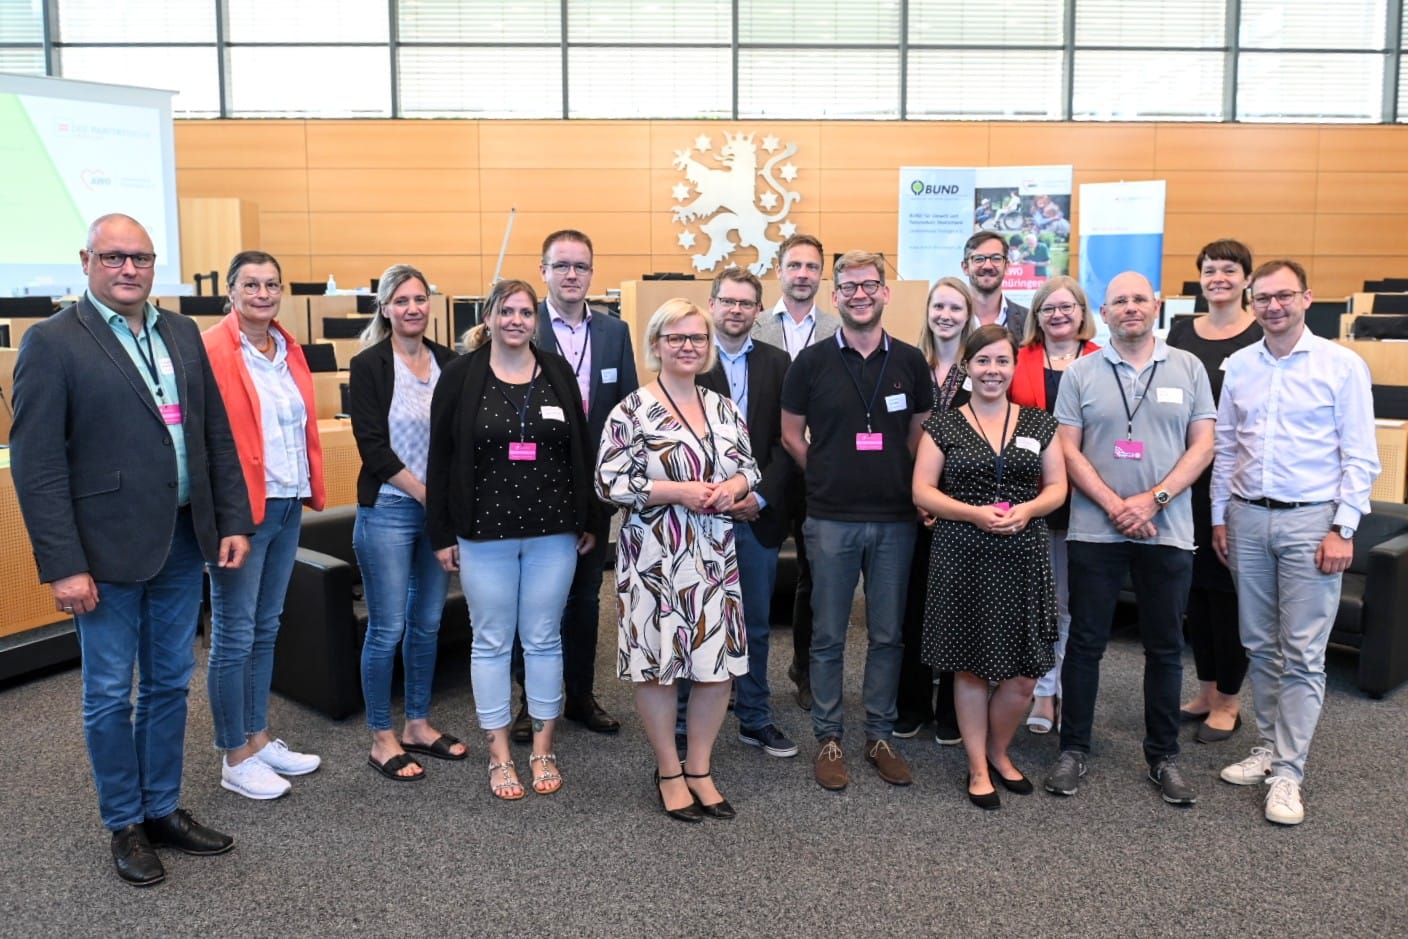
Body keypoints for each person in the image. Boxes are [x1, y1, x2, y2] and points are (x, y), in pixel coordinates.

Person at [10, 214, 252, 887]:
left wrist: (230, 517)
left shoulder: (179, 332)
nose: (128, 269)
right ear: (86, 260)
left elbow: (212, 434)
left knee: (172, 681)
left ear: (154, 264)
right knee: (111, 691)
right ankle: (123, 821)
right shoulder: (53, 343)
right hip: (103, 552)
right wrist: (63, 563)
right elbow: (37, 467)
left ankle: (161, 806)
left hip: (180, 538)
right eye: (114, 256)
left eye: (140, 257)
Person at [1211, 259, 1379, 826]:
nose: (1273, 306)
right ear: (1252, 303)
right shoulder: (1239, 365)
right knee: (1258, 643)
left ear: (1307, 298)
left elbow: (1360, 456)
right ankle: (1268, 747)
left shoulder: (1342, 365)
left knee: (1304, 653)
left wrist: (1344, 527)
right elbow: (1227, 448)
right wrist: (1219, 518)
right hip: (1247, 519)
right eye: (1263, 298)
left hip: (1313, 522)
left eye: (1284, 296)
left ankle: (1289, 772)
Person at [1043, 271, 1215, 807]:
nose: (1131, 307)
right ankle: (1074, 749)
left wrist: (1153, 500)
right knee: (1086, 643)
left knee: (1164, 648)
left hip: (1168, 531)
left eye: (1140, 298)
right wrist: (1117, 505)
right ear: (1107, 310)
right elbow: (1067, 449)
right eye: (1120, 301)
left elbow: (1203, 445)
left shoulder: (1187, 367)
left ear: (1156, 305)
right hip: (1096, 529)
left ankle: (1163, 756)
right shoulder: (1082, 372)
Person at [428, 279, 601, 800]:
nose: (516, 320)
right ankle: (500, 753)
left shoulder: (556, 371)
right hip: (484, 532)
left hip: (553, 531)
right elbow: (440, 459)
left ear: (535, 320)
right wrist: (441, 532)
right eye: (506, 311)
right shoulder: (460, 376)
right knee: (492, 641)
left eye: (526, 312)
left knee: (545, 637)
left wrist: (591, 518)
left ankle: (543, 747)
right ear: (489, 316)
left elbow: (581, 447)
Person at [597, 298, 760, 822]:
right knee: (660, 668)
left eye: (697, 338)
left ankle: (700, 768)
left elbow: (748, 467)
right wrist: (677, 491)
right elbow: (609, 482)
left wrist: (731, 487)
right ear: (656, 346)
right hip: (655, 556)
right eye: (676, 338)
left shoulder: (722, 406)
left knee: (716, 669)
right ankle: (669, 770)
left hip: (713, 552)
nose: (688, 347)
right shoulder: (632, 409)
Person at [781, 251, 934, 791]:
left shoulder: (912, 362)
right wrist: (823, 471)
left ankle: (879, 734)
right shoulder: (812, 361)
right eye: (848, 287)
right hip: (830, 518)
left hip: (896, 518)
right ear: (835, 295)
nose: (860, 294)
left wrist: (904, 478)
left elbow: (921, 432)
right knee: (827, 635)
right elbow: (790, 433)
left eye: (870, 285)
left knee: (888, 635)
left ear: (885, 293)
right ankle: (828, 735)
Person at [913, 324, 1067, 809]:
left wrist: (1029, 509)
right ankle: (978, 765)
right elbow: (923, 491)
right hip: (963, 553)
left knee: (1023, 674)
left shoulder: (1040, 423)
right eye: (983, 362)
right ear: (967, 366)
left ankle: (1000, 752)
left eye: (1002, 361)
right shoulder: (944, 424)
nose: (992, 371)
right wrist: (975, 513)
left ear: (1013, 365)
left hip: (1024, 554)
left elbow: (1057, 487)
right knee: (971, 668)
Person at [202, 250, 326, 800]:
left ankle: (258, 736)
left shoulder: (287, 349)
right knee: (233, 633)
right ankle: (233, 754)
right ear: (231, 291)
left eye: (271, 284)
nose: (262, 293)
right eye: (250, 284)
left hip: (287, 501)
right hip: (240, 512)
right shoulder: (209, 349)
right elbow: (207, 440)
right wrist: (224, 514)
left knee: (266, 626)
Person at [510, 229, 637, 741]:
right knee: (534, 600)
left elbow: (627, 408)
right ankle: (530, 701)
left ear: (591, 272)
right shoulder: (521, 324)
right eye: (561, 265)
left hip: (594, 489)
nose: (571, 275)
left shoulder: (614, 333)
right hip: (531, 486)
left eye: (580, 267)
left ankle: (580, 694)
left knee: (585, 598)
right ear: (543, 271)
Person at [349, 263, 465, 782]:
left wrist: (445, 503)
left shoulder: (449, 361)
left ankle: (417, 723)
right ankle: (381, 736)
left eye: (420, 299)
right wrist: (426, 494)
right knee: (388, 627)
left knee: (428, 623)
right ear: (386, 307)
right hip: (391, 511)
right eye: (401, 300)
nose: (412, 308)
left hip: (435, 514)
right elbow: (372, 448)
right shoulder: (369, 364)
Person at [677, 268, 797, 758]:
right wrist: (715, 494)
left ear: (758, 310)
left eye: (746, 303)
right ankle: (683, 722)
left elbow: (785, 444)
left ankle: (754, 717)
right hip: (699, 514)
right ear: (712, 304)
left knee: (755, 624)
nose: (735, 310)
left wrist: (758, 497)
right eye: (727, 301)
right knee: (693, 619)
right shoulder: (687, 360)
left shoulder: (780, 363)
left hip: (756, 515)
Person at [1166, 239, 1262, 744]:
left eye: (1229, 269)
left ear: (1246, 278)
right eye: (1209, 270)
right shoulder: (1182, 332)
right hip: (1186, 481)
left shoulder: (1258, 334)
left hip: (1234, 481)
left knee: (1226, 594)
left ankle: (1229, 699)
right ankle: (1205, 690)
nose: (1218, 277)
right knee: (1195, 593)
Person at [751, 233, 841, 712]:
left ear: (821, 274)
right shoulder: (755, 325)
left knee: (815, 576)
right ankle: (743, 679)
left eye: (811, 266)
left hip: (816, 472)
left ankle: (804, 669)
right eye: (794, 265)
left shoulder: (838, 328)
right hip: (765, 470)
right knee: (748, 575)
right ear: (779, 271)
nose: (803, 273)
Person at [1009, 275, 1100, 735]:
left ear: (1083, 313)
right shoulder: (1016, 359)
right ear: (1036, 316)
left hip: (1088, 497)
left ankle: (1057, 690)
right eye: (1048, 308)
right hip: (1031, 497)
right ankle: (1038, 690)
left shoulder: (1104, 361)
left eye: (1068, 307)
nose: (1059, 315)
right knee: (1037, 601)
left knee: (1068, 603)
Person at [895, 277, 976, 746]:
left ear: (968, 315)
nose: (946, 315)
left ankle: (951, 709)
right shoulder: (909, 364)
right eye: (939, 306)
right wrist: (918, 499)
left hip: (964, 508)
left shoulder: (981, 366)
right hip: (911, 504)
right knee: (912, 611)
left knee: (958, 610)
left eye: (955, 308)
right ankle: (911, 704)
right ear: (928, 311)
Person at [962, 230, 1028, 341]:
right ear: (965, 268)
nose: (988, 266)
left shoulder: (1028, 321)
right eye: (978, 259)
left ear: (1007, 266)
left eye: (996, 258)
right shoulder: (948, 319)